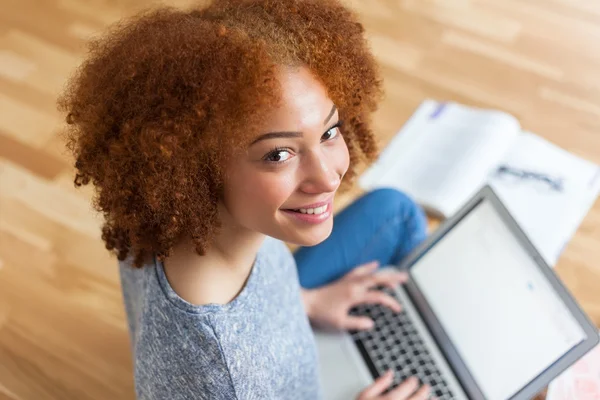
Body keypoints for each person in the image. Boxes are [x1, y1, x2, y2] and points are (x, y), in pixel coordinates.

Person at [58, 0, 430, 398]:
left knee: (394, 212)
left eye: (328, 132)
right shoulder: (222, 375)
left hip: (277, 313)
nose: (327, 177)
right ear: (198, 168)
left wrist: (306, 301)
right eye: (278, 154)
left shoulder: (175, 212)